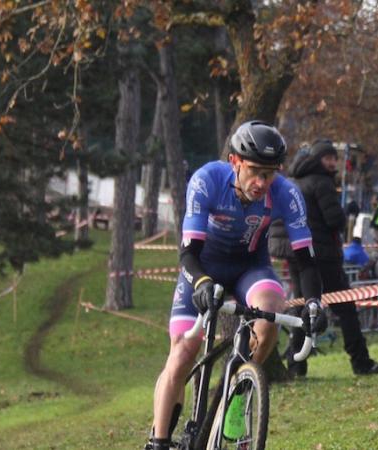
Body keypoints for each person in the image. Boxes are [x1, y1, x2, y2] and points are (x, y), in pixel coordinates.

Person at [148, 121, 328, 450]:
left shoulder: (287, 193)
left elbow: (305, 260)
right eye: (255, 172)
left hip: (250, 268)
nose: (262, 183)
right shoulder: (207, 180)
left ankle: (240, 394)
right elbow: (188, 254)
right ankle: (159, 440)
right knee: (183, 352)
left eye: (269, 173)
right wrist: (202, 284)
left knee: (271, 312)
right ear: (235, 161)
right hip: (202, 268)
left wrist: (315, 303)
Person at [269, 139, 378, 377]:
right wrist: (348, 212)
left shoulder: (294, 181)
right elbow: (334, 220)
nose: (333, 162)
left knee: (303, 306)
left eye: (334, 158)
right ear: (317, 160)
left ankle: (297, 366)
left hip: (294, 252)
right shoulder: (322, 182)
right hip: (321, 254)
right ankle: (361, 361)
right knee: (345, 307)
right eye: (328, 158)